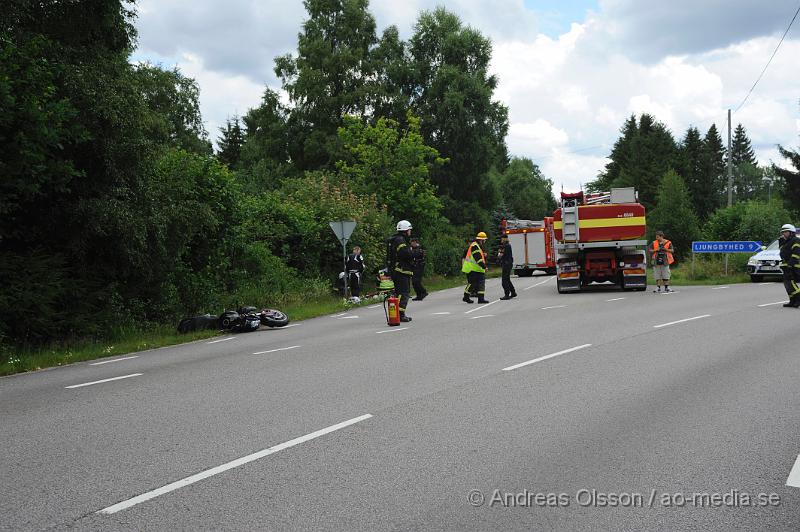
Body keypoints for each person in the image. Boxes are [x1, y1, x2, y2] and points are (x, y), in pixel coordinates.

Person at [387, 220, 414, 321]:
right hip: (400, 271)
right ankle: (400, 314)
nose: (410, 232)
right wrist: (415, 254)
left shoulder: (396, 239)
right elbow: (405, 254)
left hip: (398, 271)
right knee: (404, 293)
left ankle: (398, 314)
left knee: (400, 293)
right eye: (409, 230)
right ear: (406, 230)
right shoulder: (400, 240)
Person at [462, 231, 490, 304]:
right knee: (475, 283)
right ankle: (469, 297)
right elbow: (478, 259)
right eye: (484, 240)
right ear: (481, 239)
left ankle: (470, 297)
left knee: (475, 283)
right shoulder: (475, 246)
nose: (485, 241)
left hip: (476, 269)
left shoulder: (476, 245)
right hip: (474, 268)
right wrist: (484, 267)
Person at [778, 223, 800, 308]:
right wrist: (781, 242)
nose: (784, 234)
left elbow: (796, 253)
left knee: (791, 283)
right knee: (787, 284)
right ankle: (792, 301)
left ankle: (798, 300)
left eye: (785, 232)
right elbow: (782, 253)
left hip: (793, 266)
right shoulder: (785, 242)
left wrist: (790, 264)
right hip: (785, 265)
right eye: (783, 232)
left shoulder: (796, 240)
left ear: (791, 232)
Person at [497, 234, 517, 300]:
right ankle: (513, 292)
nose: (501, 240)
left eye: (502, 239)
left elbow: (500, 255)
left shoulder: (505, 246)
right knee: (507, 279)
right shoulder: (508, 245)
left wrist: (498, 256)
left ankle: (507, 295)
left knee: (504, 280)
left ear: (504, 239)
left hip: (506, 264)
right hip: (509, 263)